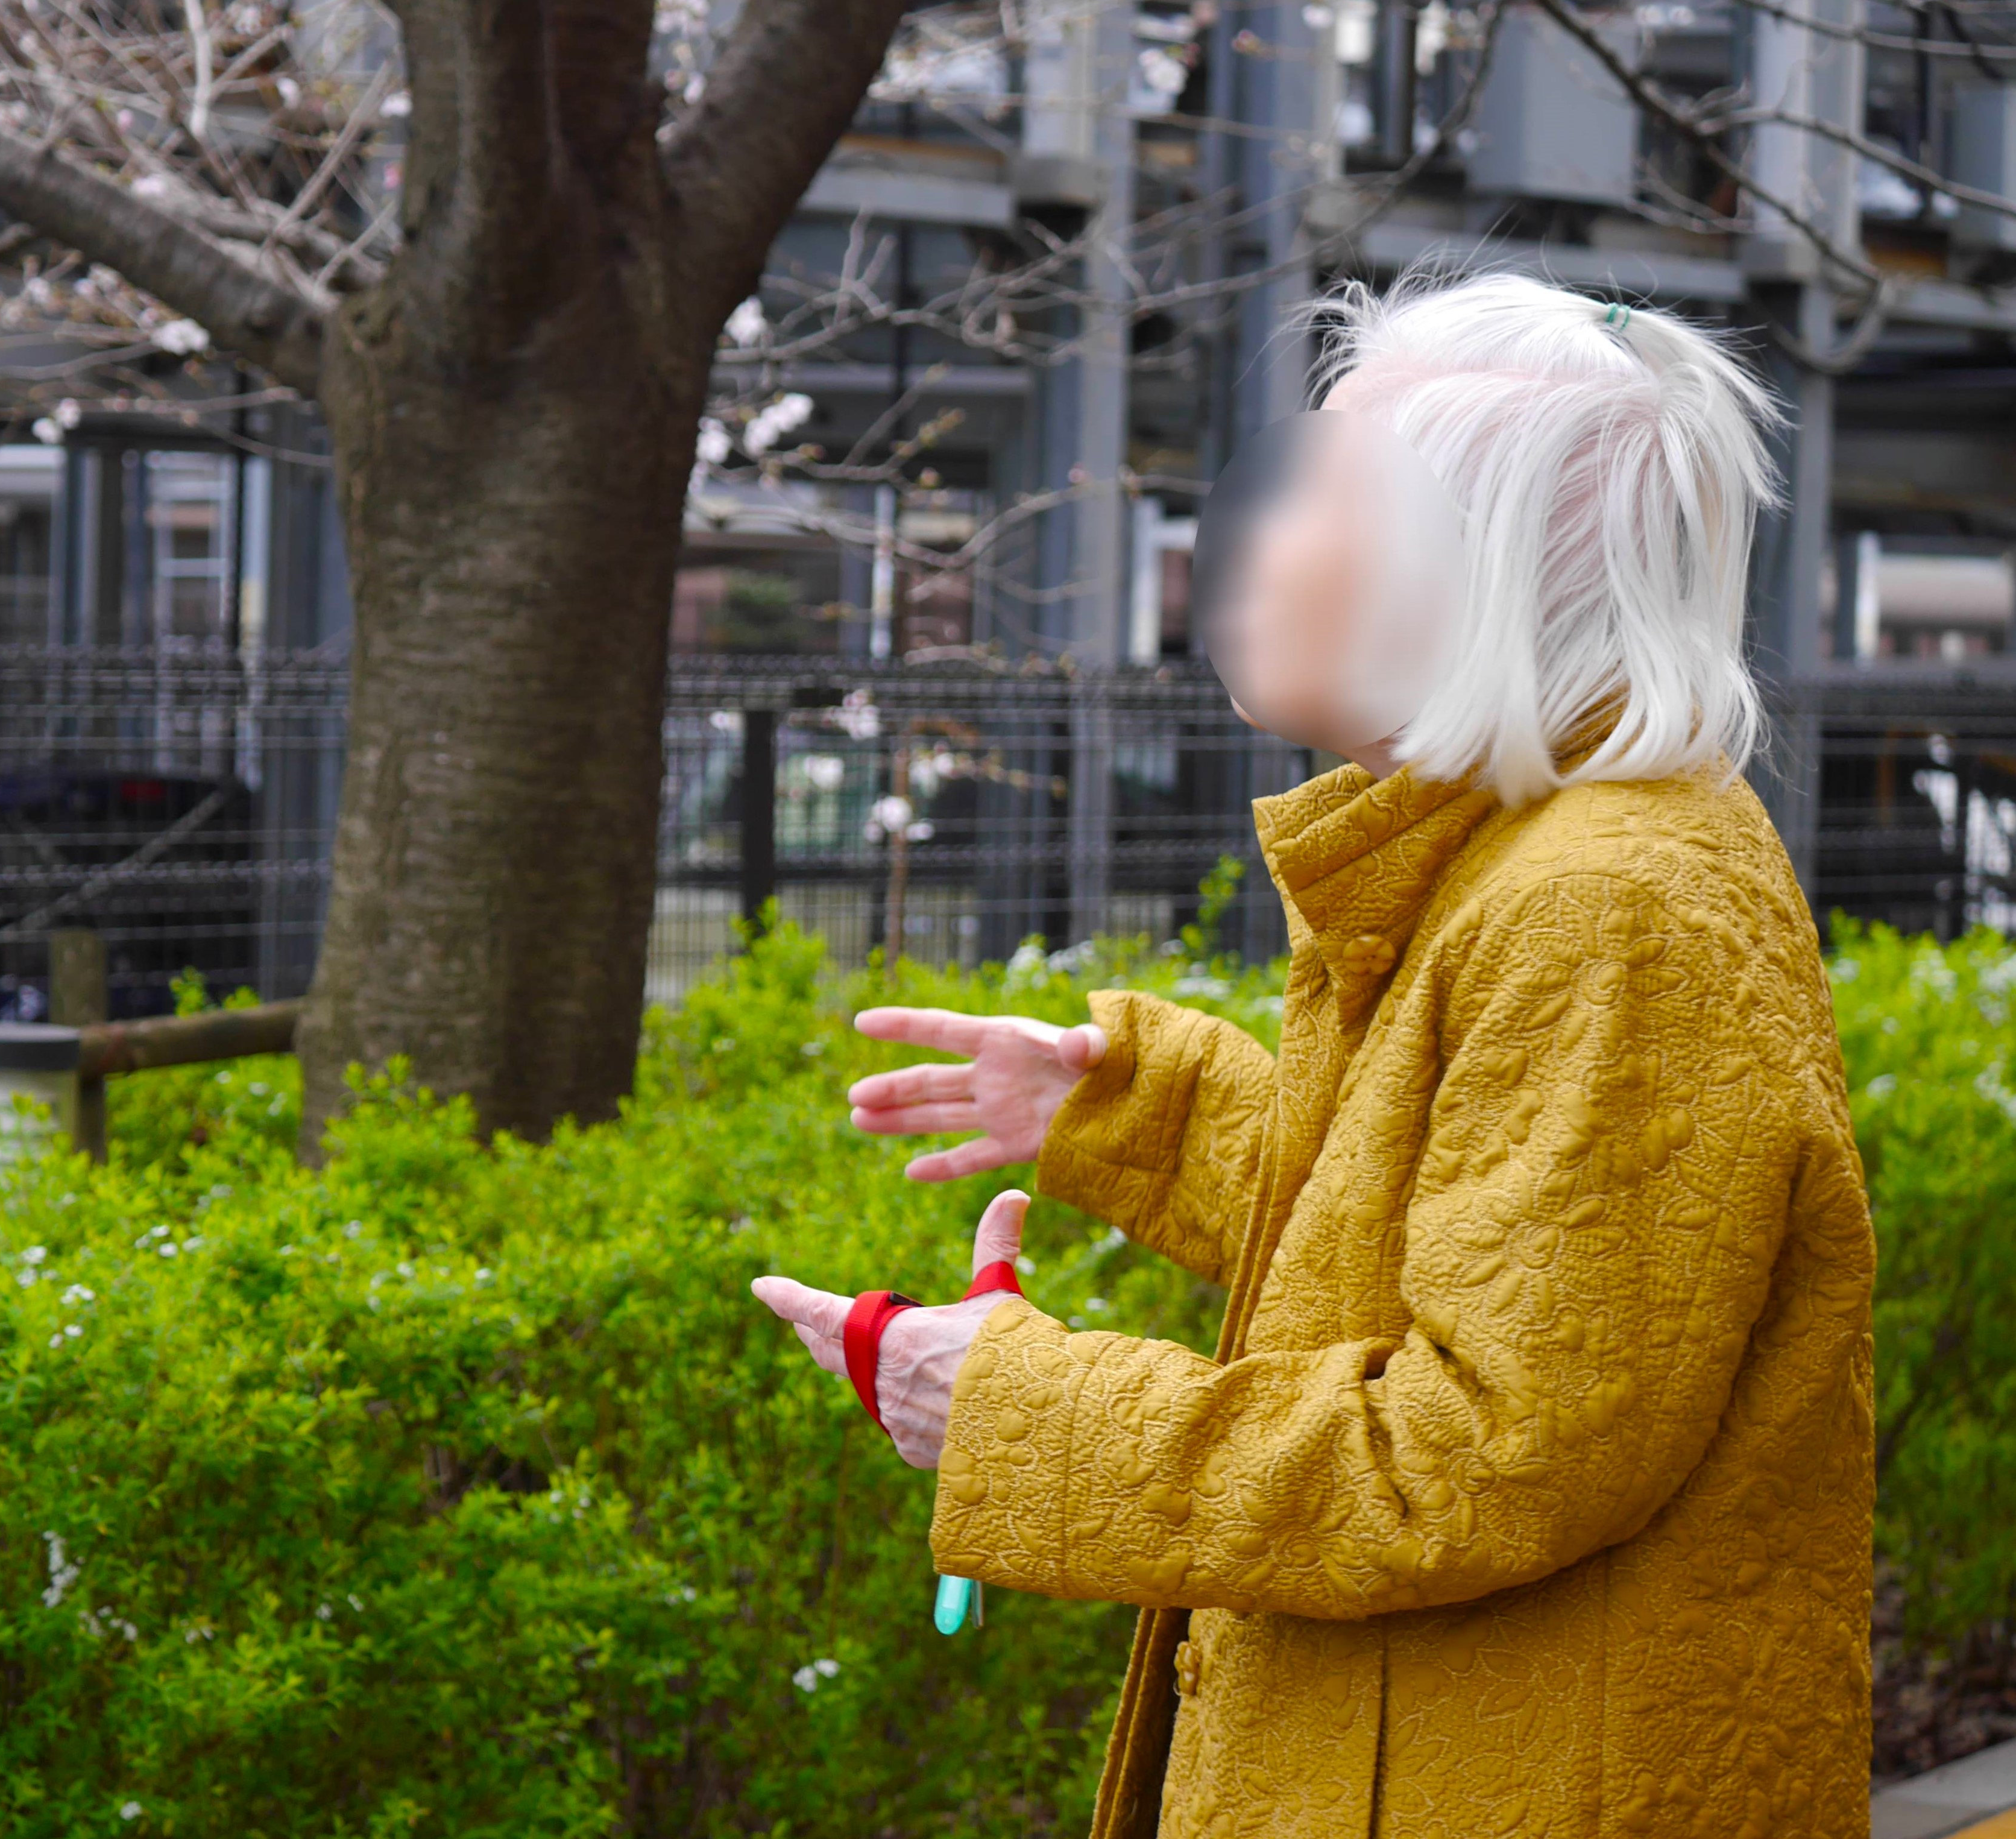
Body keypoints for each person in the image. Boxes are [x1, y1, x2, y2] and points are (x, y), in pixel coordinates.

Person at [752, 272, 1874, 1839]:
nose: (1252, 543)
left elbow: (1483, 1453)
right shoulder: (1537, 854)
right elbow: (1463, 1229)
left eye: (1317, 497)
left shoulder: (1603, 903)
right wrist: (1139, 1110)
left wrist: (1019, 1408)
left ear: (1461, 568)